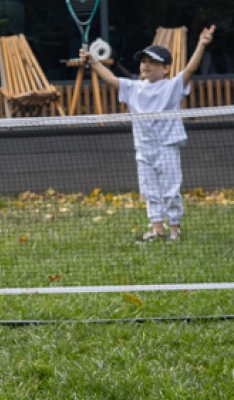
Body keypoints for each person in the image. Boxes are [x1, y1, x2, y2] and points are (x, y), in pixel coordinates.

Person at [82, 25, 216, 241]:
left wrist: (201, 44)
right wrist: (93, 61)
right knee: (149, 190)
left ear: (166, 68)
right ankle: (157, 228)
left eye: (152, 62)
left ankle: (175, 229)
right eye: (144, 61)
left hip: (167, 146)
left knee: (171, 190)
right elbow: (111, 78)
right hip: (143, 148)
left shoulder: (172, 86)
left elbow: (190, 69)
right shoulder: (133, 88)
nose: (146, 65)